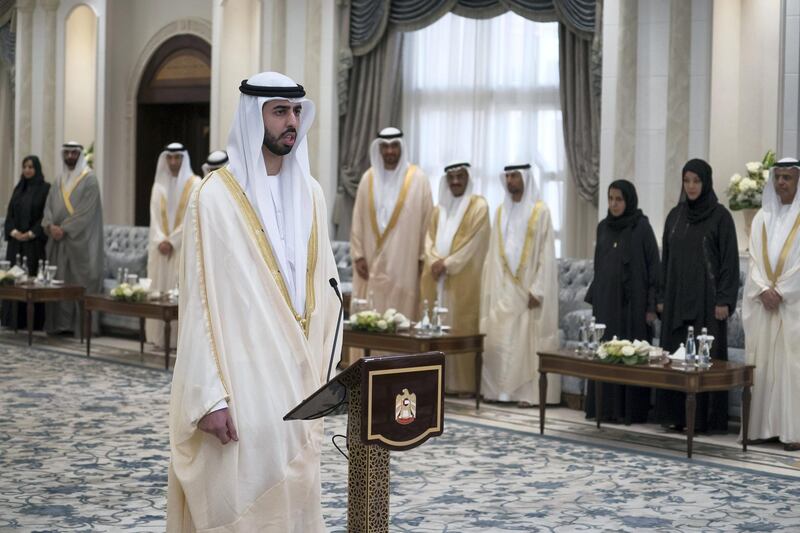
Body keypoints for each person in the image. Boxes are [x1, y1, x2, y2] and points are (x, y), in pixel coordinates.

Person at [167, 72, 342, 532]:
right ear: (252, 116)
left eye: (296, 111)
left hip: (300, 376)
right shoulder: (214, 198)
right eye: (279, 111)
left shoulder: (313, 194)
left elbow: (328, 283)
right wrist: (209, 397)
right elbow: (200, 304)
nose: (291, 122)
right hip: (240, 379)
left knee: (296, 492)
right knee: (239, 494)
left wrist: (330, 365)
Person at [655, 158, 739, 433]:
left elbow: (729, 263)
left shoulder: (720, 217)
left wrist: (724, 301)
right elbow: (665, 261)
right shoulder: (674, 216)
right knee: (675, 359)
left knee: (706, 360)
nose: (691, 186)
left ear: (706, 183)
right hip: (677, 301)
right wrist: (661, 297)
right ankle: (675, 416)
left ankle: (706, 420)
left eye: (696, 181)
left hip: (708, 303)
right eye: (686, 180)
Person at [480, 164, 560, 406]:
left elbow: (546, 255)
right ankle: (499, 392)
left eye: (515, 176)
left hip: (528, 291)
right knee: (501, 339)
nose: (510, 180)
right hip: (504, 289)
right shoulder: (500, 211)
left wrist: (538, 288)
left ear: (525, 178)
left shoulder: (541, 211)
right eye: (507, 175)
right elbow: (494, 253)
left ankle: (528, 395)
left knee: (527, 342)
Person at [584, 180, 660, 423]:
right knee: (605, 352)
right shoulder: (602, 227)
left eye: (619, 199)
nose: (614, 204)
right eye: (610, 199)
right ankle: (604, 409)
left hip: (633, 306)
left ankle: (630, 412)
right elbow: (599, 266)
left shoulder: (642, 228)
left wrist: (651, 307)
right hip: (606, 303)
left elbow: (653, 269)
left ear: (629, 201)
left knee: (631, 353)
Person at [742, 158, 800, 451]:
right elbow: (754, 260)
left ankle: (793, 432)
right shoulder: (762, 218)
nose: (781, 183)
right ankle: (760, 428)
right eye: (778, 178)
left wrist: (783, 291)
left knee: (792, 367)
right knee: (762, 364)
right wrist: (764, 289)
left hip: (793, 307)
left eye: (788, 178)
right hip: (766, 305)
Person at [420, 162, 490, 394]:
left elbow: (473, 243)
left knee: (460, 325)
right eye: (451, 177)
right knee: (435, 327)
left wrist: (447, 264)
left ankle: (462, 385)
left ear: (468, 178)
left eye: (460, 176)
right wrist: (433, 261)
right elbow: (428, 239)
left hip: (463, 279)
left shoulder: (479, 206)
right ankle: (437, 382)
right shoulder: (439, 209)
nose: (456, 181)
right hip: (436, 278)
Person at [349, 127, 432, 320]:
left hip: (405, 262)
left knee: (401, 314)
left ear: (401, 147)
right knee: (370, 315)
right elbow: (357, 220)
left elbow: (428, 222)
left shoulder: (419, 179)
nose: (390, 151)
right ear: (378, 149)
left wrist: (422, 257)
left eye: (394, 146)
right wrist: (358, 255)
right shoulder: (368, 178)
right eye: (385, 147)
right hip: (370, 259)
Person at [42, 142, 104, 335]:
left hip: (81, 243)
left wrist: (64, 228)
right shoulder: (59, 180)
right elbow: (48, 207)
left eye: (73, 153)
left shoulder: (90, 179)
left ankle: (82, 329)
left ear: (79, 155)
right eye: (67, 152)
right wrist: (50, 225)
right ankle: (61, 325)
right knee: (59, 283)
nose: (70, 156)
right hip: (58, 242)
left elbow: (85, 212)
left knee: (80, 284)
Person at [145, 142, 201, 347]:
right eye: (170, 157)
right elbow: (154, 219)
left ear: (183, 159)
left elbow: (192, 218)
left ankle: (179, 343)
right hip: (160, 250)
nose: (173, 162)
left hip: (182, 249)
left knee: (180, 291)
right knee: (158, 289)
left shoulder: (195, 183)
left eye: (177, 157)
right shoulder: (158, 186)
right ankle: (156, 338)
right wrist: (161, 240)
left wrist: (173, 241)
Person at [2, 156, 51, 329]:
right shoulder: (19, 188)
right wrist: (14, 232)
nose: (27, 170)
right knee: (14, 280)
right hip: (16, 243)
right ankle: (12, 320)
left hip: (33, 244)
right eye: (25, 167)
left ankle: (33, 323)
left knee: (30, 281)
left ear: (37, 169)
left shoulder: (45, 189)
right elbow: (10, 215)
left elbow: (46, 216)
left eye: (31, 167)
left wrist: (30, 233)